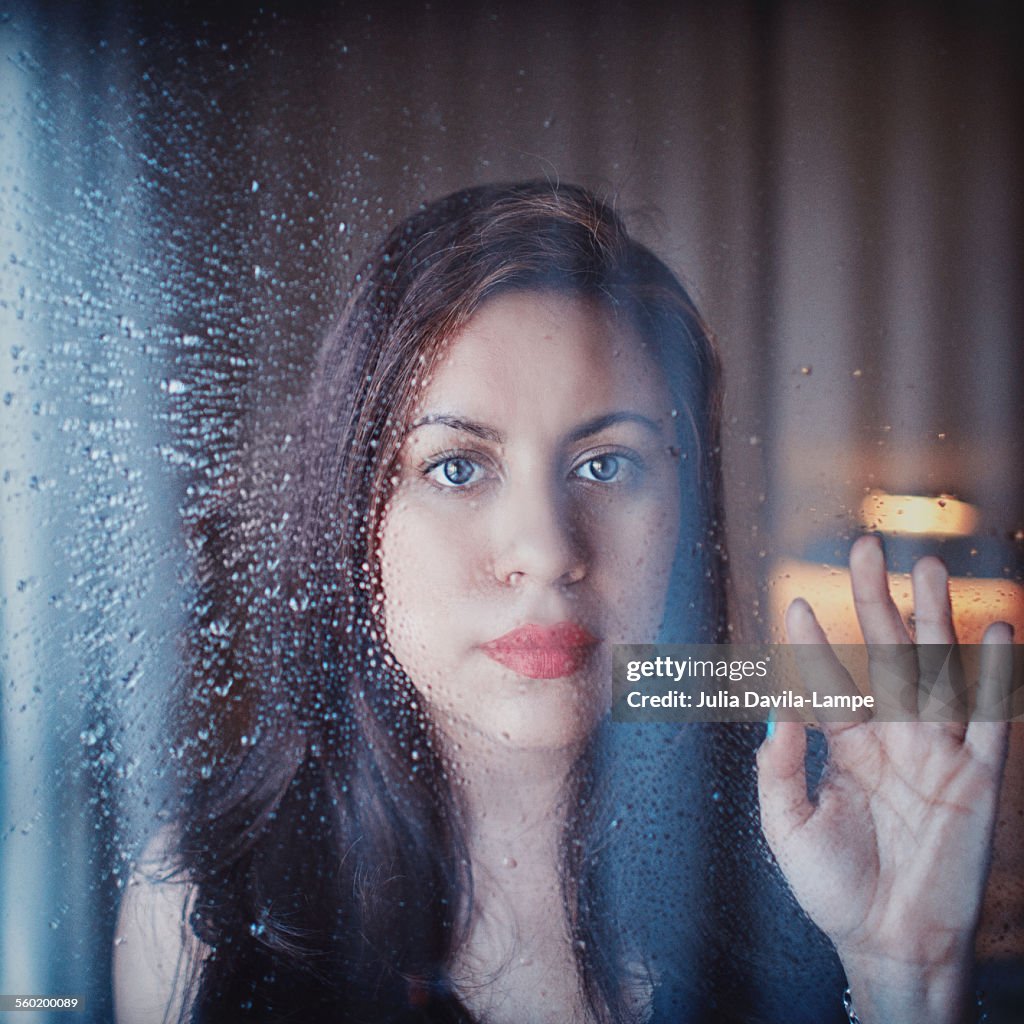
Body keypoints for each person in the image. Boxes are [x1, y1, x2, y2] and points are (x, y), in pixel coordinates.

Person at [112, 181, 1012, 1023]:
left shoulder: (816, 854)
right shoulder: (200, 907)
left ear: (686, 510)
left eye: (605, 465)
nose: (547, 552)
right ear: (357, 518)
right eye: (456, 468)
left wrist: (907, 983)